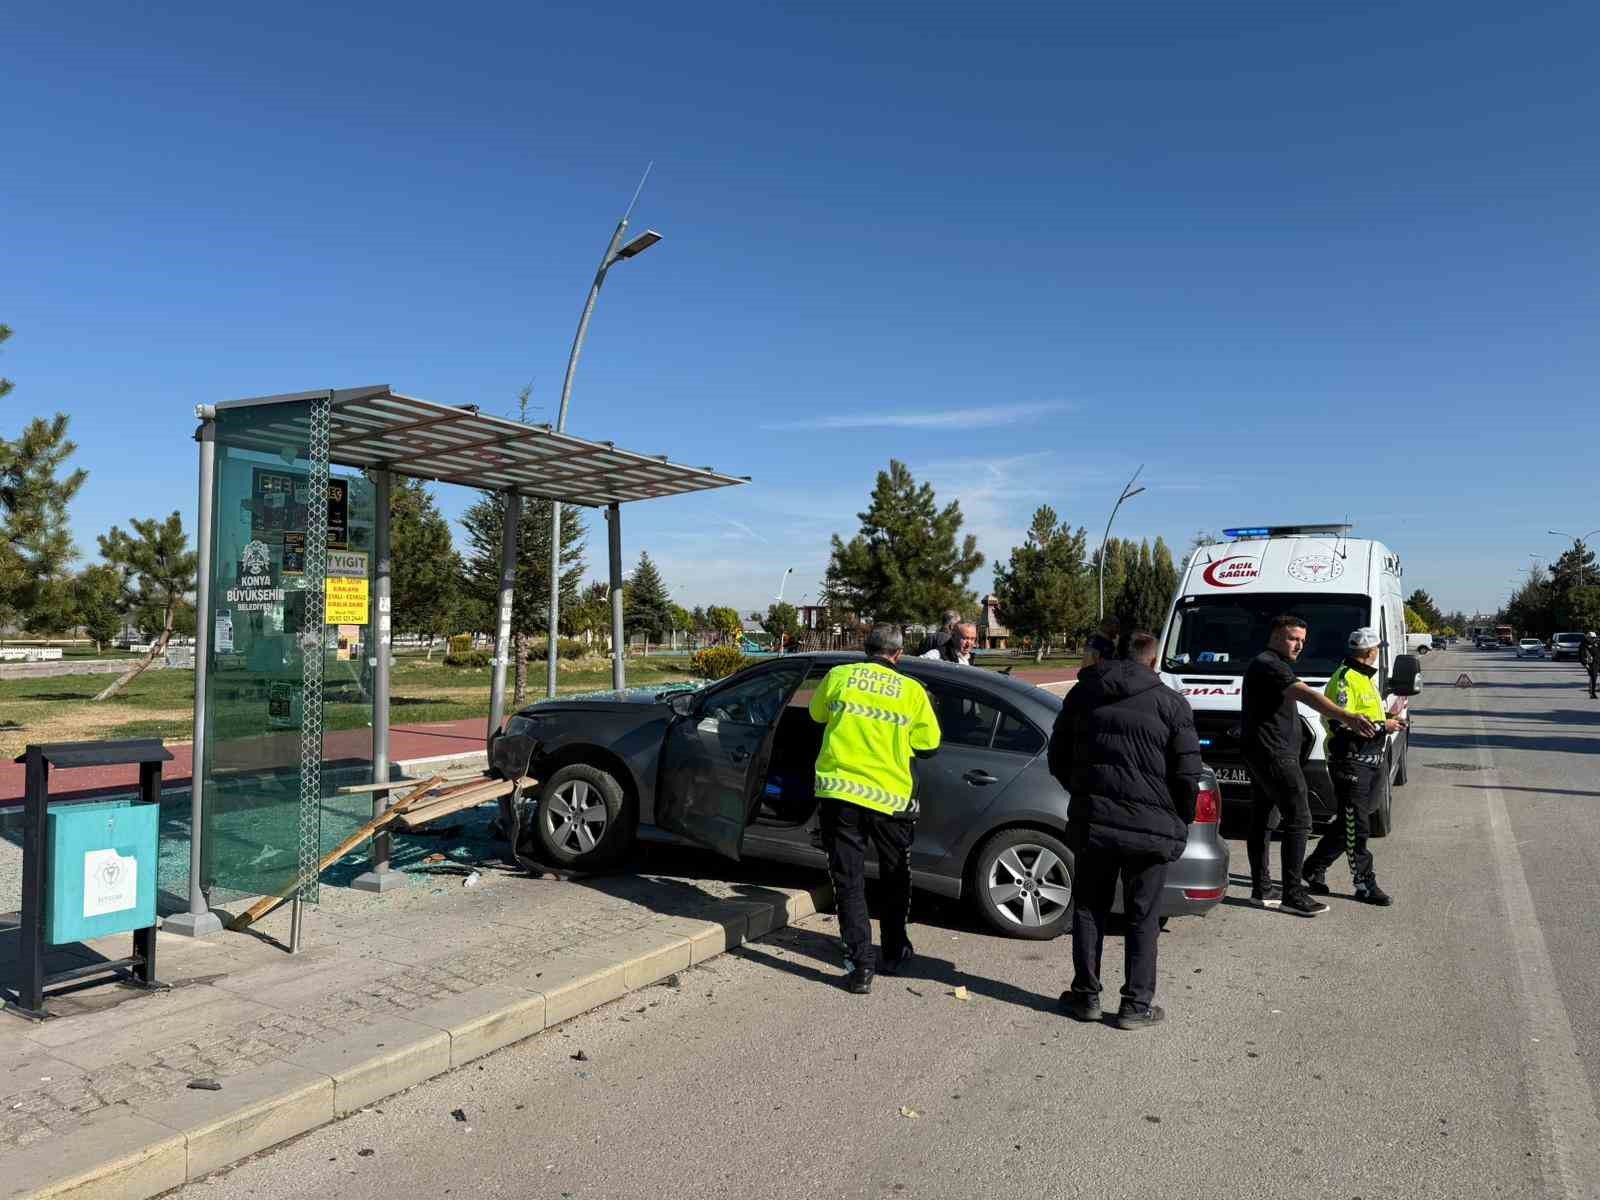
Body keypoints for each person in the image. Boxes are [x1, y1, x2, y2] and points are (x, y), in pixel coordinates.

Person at [1049, 631, 1201, 1030]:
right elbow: (1188, 774)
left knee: (1089, 909)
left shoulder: (1083, 694)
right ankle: (1135, 1005)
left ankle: (1086, 996)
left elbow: (1058, 757)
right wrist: (1180, 818)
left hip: (1094, 821)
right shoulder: (1173, 703)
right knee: (1143, 916)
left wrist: (1083, 792)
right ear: (1154, 661)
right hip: (1151, 828)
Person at [809, 624, 942, 994]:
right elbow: (928, 744)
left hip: (840, 794)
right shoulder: (912, 691)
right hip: (891, 801)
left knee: (848, 881)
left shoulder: (839, 676)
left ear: (865, 649)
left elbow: (817, 716)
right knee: (895, 876)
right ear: (898, 654)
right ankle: (895, 951)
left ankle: (860, 966)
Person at [1242, 614, 1379, 917]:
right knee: (1300, 819)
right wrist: (1346, 716)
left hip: (1266, 753)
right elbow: (1305, 694)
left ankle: (1262, 889)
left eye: (1302, 640)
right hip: (1275, 755)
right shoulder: (1270, 664)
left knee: (1263, 819)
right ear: (1275, 636)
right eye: (1293, 638)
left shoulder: (1269, 664)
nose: (1299, 645)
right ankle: (1293, 894)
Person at [1301, 628, 1406, 906]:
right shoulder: (1345, 678)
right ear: (1370, 652)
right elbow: (1340, 724)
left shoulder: (1364, 677)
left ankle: (1313, 866)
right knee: (1357, 827)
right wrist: (1384, 726)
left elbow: (1365, 714)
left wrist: (1388, 717)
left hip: (1371, 760)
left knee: (1353, 820)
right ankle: (1364, 883)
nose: (1378, 653)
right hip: (1350, 762)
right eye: (1378, 649)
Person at [1583, 632, 1599, 700]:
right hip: (1591, 663)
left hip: (1598, 662)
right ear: (1588, 638)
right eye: (1592, 638)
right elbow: (1582, 655)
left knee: (1594, 677)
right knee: (1593, 677)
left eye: (1594, 638)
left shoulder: (1597, 643)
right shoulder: (1584, 645)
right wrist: (1585, 664)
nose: (1593, 639)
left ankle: (1592, 690)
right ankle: (1592, 693)